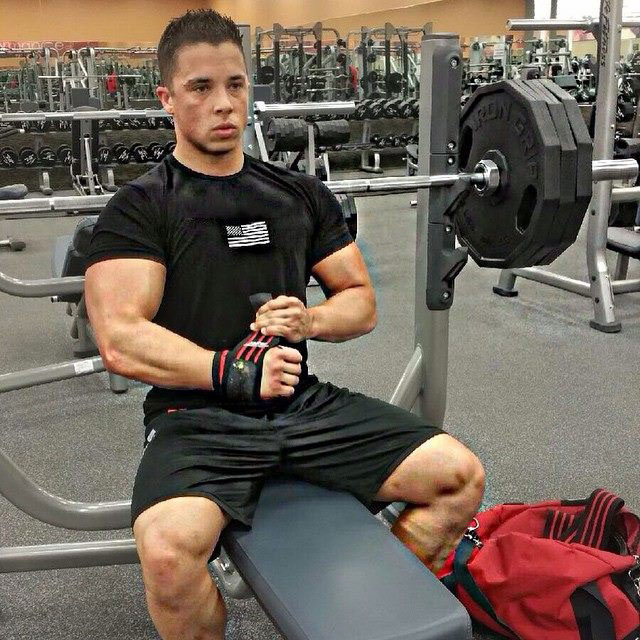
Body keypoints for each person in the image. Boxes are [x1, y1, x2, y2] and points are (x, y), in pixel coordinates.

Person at [84, 9, 485, 640]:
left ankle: (363, 618)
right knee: (167, 555)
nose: (224, 104)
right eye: (201, 87)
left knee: (458, 477)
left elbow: (359, 301)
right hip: (196, 419)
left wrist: (312, 318)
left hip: (300, 406)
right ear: (166, 98)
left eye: (236, 85)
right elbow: (119, 336)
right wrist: (233, 370)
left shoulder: (297, 194)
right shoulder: (141, 206)